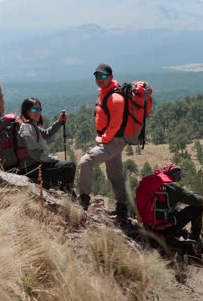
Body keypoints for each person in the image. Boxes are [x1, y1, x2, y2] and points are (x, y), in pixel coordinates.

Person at [79, 63, 128, 222]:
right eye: (97, 76)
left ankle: (84, 200)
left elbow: (115, 123)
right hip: (113, 141)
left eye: (103, 76)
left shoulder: (116, 97)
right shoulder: (106, 93)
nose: (100, 79)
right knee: (115, 174)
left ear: (111, 77)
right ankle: (122, 209)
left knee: (86, 161)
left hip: (112, 141)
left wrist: (103, 139)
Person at [17, 97, 76, 191]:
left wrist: (60, 122)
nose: (38, 112)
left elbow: (46, 134)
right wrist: (52, 159)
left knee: (65, 166)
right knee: (69, 166)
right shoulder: (26, 128)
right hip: (31, 169)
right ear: (26, 110)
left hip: (34, 166)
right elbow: (35, 153)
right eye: (34, 109)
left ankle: (63, 190)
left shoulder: (32, 125)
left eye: (39, 109)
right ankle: (67, 195)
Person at [144, 163, 203, 242]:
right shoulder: (173, 187)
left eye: (178, 175)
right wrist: (191, 194)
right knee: (197, 207)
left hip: (148, 227)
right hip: (165, 229)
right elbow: (198, 201)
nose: (177, 178)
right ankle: (195, 237)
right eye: (175, 174)